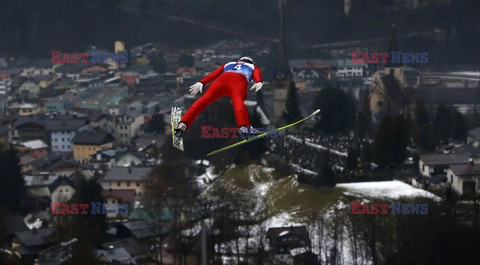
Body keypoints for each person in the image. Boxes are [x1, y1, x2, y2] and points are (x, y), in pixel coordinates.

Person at [174, 56, 263, 139]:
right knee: (239, 104)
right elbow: (257, 73)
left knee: (202, 101)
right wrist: (259, 81)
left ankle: (183, 125)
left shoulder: (228, 64)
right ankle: (244, 128)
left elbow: (214, 74)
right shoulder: (253, 66)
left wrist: (202, 82)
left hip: (221, 80)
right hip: (238, 81)